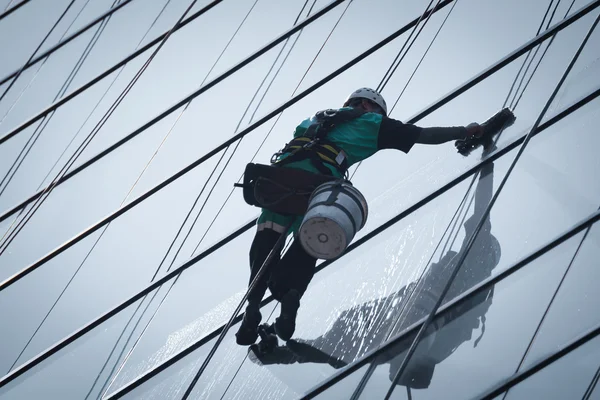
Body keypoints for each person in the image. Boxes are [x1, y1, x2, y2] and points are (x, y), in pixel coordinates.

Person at [235, 87, 492, 346]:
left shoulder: (313, 120)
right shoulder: (373, 123)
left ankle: (253, 306)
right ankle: (291, 296)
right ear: (370, 107)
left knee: (266, 240)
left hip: (279, 183)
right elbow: (423, 135)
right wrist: (464, 131)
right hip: (317, 188)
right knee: (313, 239)